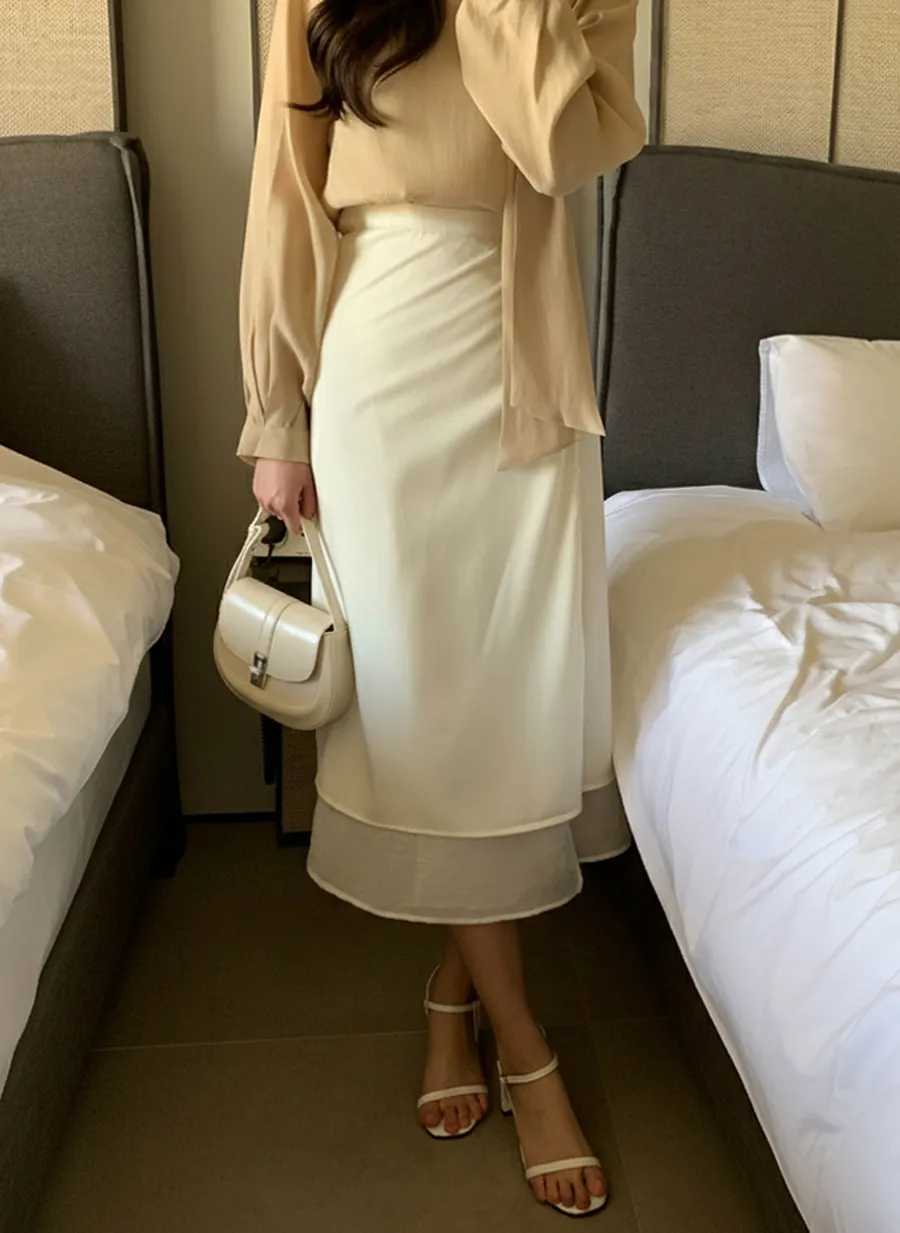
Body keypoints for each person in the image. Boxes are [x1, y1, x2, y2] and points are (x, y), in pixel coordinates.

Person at [239, 0, 645, 1217]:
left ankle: (452, 992)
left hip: (524, 368)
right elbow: (285, 193)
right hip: (381, 357)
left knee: (500, 713)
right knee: (421, 714)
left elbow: (562, 150)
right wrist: (276, 412)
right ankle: (526, 1046)